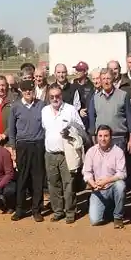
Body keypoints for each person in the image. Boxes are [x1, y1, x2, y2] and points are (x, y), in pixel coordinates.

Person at [41, 85, 85, 223]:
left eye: (58, 96)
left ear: (62, 96)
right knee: (53, 184)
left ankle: (70, 212)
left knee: (69, 184)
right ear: (49, 97)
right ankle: (58, 211)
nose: (55, 99)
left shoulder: (70, 109)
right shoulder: (44, 111)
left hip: (67, 153)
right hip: (50, 153)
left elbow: (81, 128)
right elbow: (44, 129)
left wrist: (70, 131)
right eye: (52, 97)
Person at [8, 80, 46, 222]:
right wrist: (13, 149)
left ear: (34, 90)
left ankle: (36, 210)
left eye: (30, 90)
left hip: (38, 144)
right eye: (25, 90)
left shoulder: (42, 105)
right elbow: (12, 130)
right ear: (21, 91)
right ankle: (20, 209)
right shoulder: (15, 106)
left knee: (37, 179)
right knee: (22, 179)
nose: (28, 92)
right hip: (22, 145)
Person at [83, 125, 127, 228]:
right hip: (98, 189)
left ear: (111, 137)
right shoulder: (91, 152)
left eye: (106, 136)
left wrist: (107, 181)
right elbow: (86, 172)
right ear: (97, 137)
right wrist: (93, 184)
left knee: (121, 185)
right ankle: (110, 207)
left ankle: (118, 217)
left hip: (113, 187)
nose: (103, 139)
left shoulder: (118, 152)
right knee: (95, 221)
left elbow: (122, 173)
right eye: (100, 136)